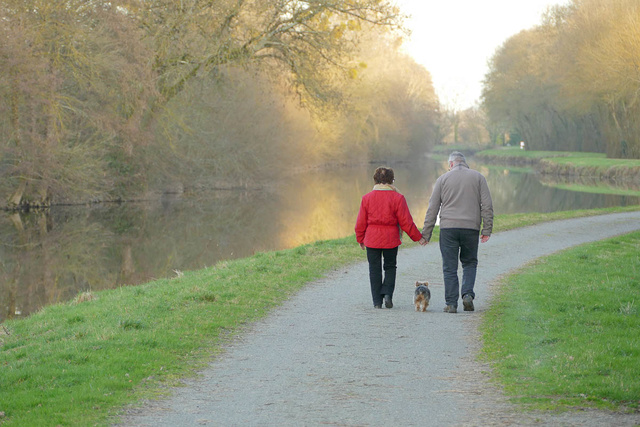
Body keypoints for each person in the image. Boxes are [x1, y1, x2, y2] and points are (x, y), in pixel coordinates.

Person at [421, 152, 493, 313]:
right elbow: (487, 205)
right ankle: (467, 295)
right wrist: (487, 229)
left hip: (448, 229)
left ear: (451, 164)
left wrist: (426, 233)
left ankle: (451, 304)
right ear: (464, 163)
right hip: (470, 228)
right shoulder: (479, 177)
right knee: (469, 263)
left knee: (449, 267)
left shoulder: (442, 179)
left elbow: (432, 208)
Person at [355, 167, 427, 309]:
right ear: (391, 181)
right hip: (390, 239)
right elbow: (406, 222)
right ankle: (387, 294)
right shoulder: (398, 198)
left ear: (375, 180)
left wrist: (360, 238)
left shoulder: (367, 198)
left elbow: (360, 222)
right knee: (390, 267)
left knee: (374, 269)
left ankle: (377, 302)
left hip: (372, 239)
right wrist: (418, 237)